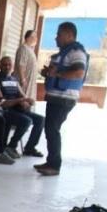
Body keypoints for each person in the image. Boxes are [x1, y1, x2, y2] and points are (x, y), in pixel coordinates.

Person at [36, 21, 88, 176]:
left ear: (69, 35)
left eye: (59, 34)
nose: (56, 38)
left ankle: (54, 165)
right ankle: (51, 161)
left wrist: (56, 74)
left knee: (53, 130)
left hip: (63, 98)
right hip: (55, 97)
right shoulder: (64, 53)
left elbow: (78, 73)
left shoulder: (76, 53)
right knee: (50, 129)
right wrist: (48, 73)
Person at [0, 56, 45, 158]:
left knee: (40, 119)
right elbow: (2, 103)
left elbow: (23, 97)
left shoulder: (13, 80)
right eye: (4, 65)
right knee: (26, 121)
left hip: (17, 109)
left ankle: (29, 148)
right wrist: (19, 101)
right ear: (0, 66)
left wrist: (27, 101)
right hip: (2, 111)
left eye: (9, 65)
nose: (7, 67)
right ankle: (11, 146)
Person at [15, 29, 39, 100]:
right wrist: (23, 79)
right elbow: (21, 64)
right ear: (28, 38)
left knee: (29, 100)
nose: (36, 39)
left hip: (30, 81)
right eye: (34, 37)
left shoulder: (30, 49)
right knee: (23, 99)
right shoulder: (23, 49)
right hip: (24, 81)